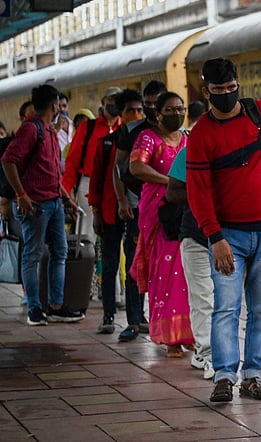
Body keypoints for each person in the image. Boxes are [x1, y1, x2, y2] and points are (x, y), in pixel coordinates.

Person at [187, 58, 261, 404]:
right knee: (226, 307)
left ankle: (253, 376)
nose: (227, 95)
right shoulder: (201, 135)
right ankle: (225, 375)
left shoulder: (260, 113)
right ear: (205, 91)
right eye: (218, 90)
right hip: (229, 236)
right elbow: (197, 192)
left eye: (231, 88)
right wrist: (215, 238)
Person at [1, 85, 83, 325]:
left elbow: (53, 171)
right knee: (33, 255)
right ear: (54, 105)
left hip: (55, 201)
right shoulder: (31, 129)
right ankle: (34, 309)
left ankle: (56, 305)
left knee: (60, 251)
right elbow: (8, 160)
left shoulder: (48, 130)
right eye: (59, 104)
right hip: (35, 204)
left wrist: (66, 198)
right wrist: (21, 194)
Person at [130, 91, 194, 357]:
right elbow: (136, 167)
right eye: (170, 110)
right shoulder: (148, 138)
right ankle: (171, 339)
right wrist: (169, 181)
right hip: (159, 214)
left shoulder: (188, 138)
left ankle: (188, 333)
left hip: (183, 211)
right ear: (157, 114)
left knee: (187, 272)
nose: (176, 113)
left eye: (180, 108)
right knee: (166, 272)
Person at [90, 89, 146, 335]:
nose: (136, 114)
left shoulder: (146, 137)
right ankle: (108, 314)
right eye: (131, 110)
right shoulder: (107, 144)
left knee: (135, 263)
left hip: (137, 212)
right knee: (110, 263)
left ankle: (136, 317)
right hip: (110, 212)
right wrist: (95, 212)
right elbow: (97, 181)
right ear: (121, 114)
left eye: (140, 110)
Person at [113, 80, 165, 342]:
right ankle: (134, 319)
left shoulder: (178, 133)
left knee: (165, 267)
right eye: (149, 104)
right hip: (137, 206)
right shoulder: (133, 130)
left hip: (169, 210)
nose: (153, 108)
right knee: (137, 263)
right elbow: (118, 168)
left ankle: (160, 320)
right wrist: (122, 201)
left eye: (158, 103)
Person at [166, 146, 215, 379]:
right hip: (196, 235)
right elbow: (172, 191)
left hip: (232, 235)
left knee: (224, 300)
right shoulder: (191, 150)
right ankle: (207, 354)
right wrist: (206, 191)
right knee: (202, 297)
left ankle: (206, 352)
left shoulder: (244, 146)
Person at [63, 86, 123, 246]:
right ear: (103, 102)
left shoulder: (124, 129)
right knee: (86, 232)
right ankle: (84, 269)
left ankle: (113, 271)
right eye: (111, 100)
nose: (114, 104)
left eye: (118, 101)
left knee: (115, 233)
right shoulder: (88, 128)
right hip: (88, 185)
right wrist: (67, 191)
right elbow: (72, 161)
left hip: (115, 185)